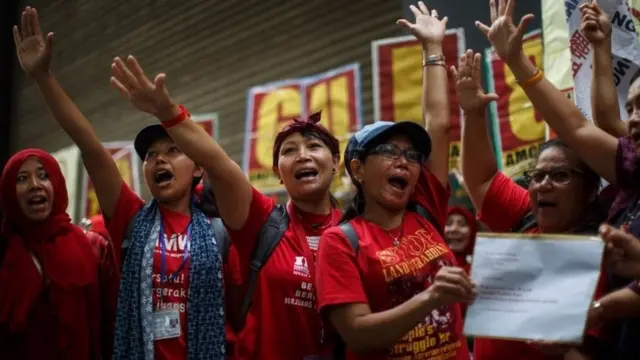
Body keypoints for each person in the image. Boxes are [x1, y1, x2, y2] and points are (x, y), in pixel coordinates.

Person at [14, 7, 225, 359]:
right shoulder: (129, 217)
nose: (159, 159)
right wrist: (43, 77)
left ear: (199, 169)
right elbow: (90, 146)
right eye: (151, 155)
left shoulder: (222, 232)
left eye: (173, 150)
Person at [109, 42, 342, 360]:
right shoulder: (262, 223)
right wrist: (166, 112)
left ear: (336, 162)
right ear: (277, 172)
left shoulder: (357, 227)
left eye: (314, 146)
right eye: (289, 151)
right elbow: (220, 165)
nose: (302, 155)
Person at [316, 3, 475, 359]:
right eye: (389, 151)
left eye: (412, 156)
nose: (404, 162)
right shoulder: (340, 242)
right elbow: (357, 333)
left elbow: (438, 124)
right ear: (357, 169)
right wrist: (432, 297)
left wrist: (433, 49)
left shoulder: (426, 207)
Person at [458, 16, 607, 357]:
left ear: (590, 190)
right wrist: (473, 115)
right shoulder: (527, 214)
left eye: (559, 176)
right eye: (537, 176)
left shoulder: (605, 251)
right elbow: (481, 180)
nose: (543, 186)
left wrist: (563, 352)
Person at [0, 149, 107, 359]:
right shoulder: (4, 251)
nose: (34, 185)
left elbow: (105, 320)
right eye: (22, 178)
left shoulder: (87, 245)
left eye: (43, 175)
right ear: (9, 193)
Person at [444, 206, 477, 317]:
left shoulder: (480, 268)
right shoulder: (430, 267)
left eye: (462, 224)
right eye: (448, 224)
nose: (454, 229)